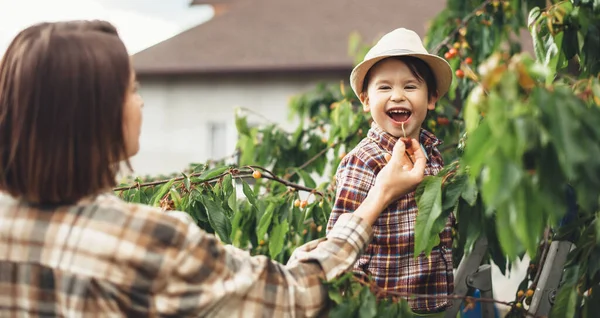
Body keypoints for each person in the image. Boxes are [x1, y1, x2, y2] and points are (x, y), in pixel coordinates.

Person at [0, 20, 428, 317]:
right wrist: (377, 200)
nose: (141, 101)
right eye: (131, 89)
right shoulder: (148, 240)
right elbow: (291, 297)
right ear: (93, 112)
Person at [326, 28, 455, 316]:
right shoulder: (363, 160)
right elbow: (338, 237)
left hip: (431, 301)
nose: (397, 96)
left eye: (410, 87)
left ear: (431, 99)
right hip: (381, 305)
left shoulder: (433, 154)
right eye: (384, 88)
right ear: (366, 101)